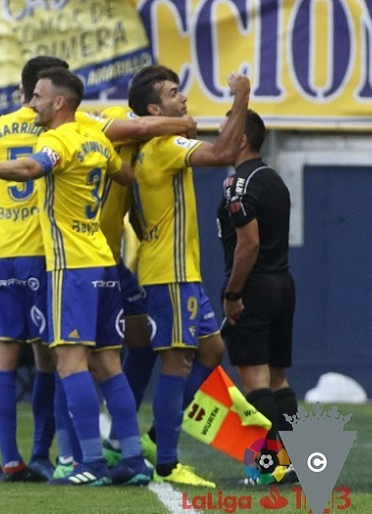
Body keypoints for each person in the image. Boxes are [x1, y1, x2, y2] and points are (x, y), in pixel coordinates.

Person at [0, 66, 150, 487]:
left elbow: (30, 169)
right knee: (110, 364)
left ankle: (91, 463)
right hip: (104, 259)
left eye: (39, 96)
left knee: (69, 361)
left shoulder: (56, 141)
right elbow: (124, 175)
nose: (32, 103)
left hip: (71, 267)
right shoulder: (97, 139)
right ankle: (133, 459)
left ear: (59, 102)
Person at [125, 64, 251, 487]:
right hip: (171, 273)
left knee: (212, 351)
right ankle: (166, 460)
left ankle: (159, 436)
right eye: (175, 92)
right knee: (176, 362)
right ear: (154, 107)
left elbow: (218, 147)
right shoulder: (163, 145)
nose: (184, 99)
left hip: (178, 270)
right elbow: (224, 155)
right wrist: (241, 100)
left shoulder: (149, 147)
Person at [216, 109, 298, 484]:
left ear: (243, 139)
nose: (220, 137)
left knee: (256, 383)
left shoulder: (239, 184)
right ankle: (289, 463)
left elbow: (248, 244)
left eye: (226, 130)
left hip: (254, 288)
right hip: (282, 283)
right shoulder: (274, 179)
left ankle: (268, 469)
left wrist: (233, 292)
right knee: (278, 382)